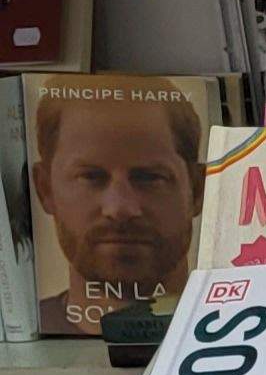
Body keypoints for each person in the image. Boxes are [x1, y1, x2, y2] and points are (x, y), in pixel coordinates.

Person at [29, 82, 203, 337]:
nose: (120, 208)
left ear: (197, 190)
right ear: (45, 189)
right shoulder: (21, 333)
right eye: (90, 176)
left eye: (150, 177)